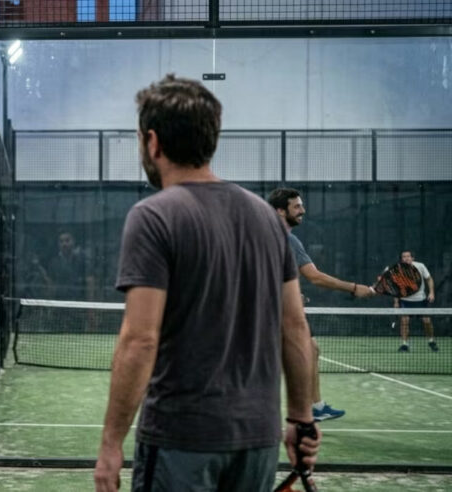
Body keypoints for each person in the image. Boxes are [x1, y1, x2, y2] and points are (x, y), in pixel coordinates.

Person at [94, 75, 319, 492]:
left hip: (180, 439)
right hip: (258, 441)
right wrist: (301, 418)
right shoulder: (268, 219)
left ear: (153, 142)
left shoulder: (152, 217)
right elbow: (295, 326)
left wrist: (110, 444)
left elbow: (140, 340)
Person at [268, 187, 375, 422]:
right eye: (296, 207)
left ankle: (316, 407)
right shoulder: (287, 239)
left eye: (301, 205)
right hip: (274, 311)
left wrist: (289, 292)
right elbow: (315, 277)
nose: (302, 210)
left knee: (311, 350)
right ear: (280, 211)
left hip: (276, 306)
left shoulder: (266, 236)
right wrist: (354, 288)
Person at [393, 250, 438, 352]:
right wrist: (396, 302)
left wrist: (431, 293)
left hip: (420, 300)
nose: (406, 258)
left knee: (427, 321)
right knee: (404, 321)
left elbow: (429, 279)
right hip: (405, 301)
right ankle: (404, 344)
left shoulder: (420, 266)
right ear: (401, 259)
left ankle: (431, 341)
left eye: (408, 256)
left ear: (412, 258)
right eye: (404, 257)